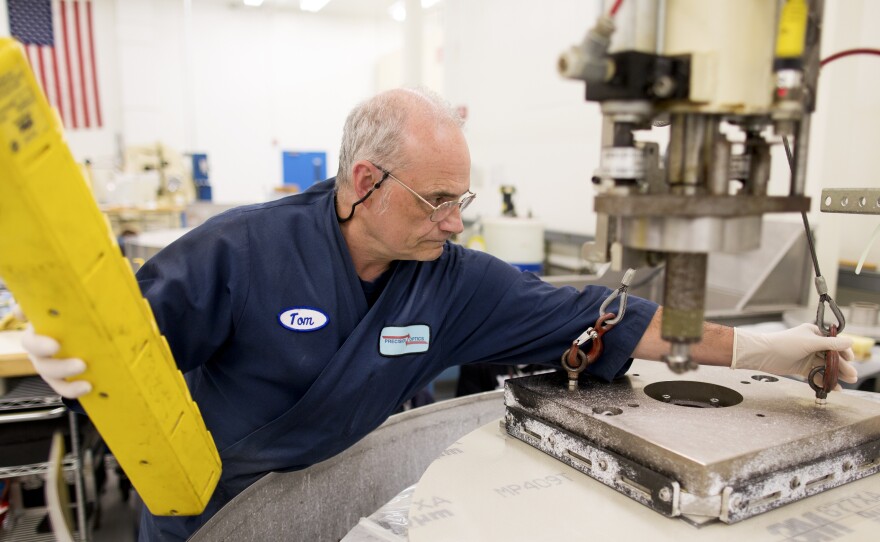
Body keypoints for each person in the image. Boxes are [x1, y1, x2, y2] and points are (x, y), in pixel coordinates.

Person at [21, 88, 856, 541]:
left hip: (334, 504)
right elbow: (126, 342)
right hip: (204, 513)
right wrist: (74, 361)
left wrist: (767, 350)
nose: (455, 222)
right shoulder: (240, 251)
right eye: (436, 200)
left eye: (463, 200)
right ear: (362, 182)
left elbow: (608, 316)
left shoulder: (448, 282)